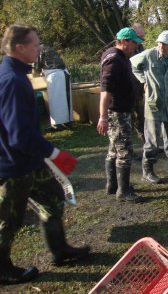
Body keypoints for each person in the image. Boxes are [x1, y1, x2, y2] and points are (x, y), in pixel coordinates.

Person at [0, 24, 89, 284]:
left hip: (31, 161)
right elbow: (19, 135)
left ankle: (59, 250)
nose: (39, 50)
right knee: (8, 222)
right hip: (13, 166)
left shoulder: (15, 74)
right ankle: (2, 269)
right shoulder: (13, 81)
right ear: (20, 47)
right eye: (35, 45)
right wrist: (55, 153)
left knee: (53, 197)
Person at [130, 30, 168, 185]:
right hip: (154, 101)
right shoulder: (149, 54)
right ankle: (147, 171)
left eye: (164, 44)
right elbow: (132, 64)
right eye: (159, 43)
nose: (161, 46)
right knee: (152, 138)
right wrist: (143, 79)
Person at [97, 27, 143, 203]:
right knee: (124, 151)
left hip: (120, 110)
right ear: (124, 41)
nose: (136, 47)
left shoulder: (116, 55)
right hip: (117, 112)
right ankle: (123, 191)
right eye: (134, 43)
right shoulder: (114, 60)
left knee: (114, 149)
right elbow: (105, 90)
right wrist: (103, 117)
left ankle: (112, 185)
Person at [33, 44, 73, 132]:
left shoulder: (37, 50)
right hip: (64, 73)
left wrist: (34, 76)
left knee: (55, 101)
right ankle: (68, 122)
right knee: (66, 99)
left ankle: (57, 124)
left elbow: (37, 67)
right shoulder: (47, 48)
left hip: (54, 75)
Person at [131, 23, 146, 159]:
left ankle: (147, 145)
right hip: (128, 92)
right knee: (127, 122)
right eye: (140, 36)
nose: (142, 39)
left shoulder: (140, 47)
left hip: (139, 89)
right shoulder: (126, 49)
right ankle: (129, 151)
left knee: (142, 118)